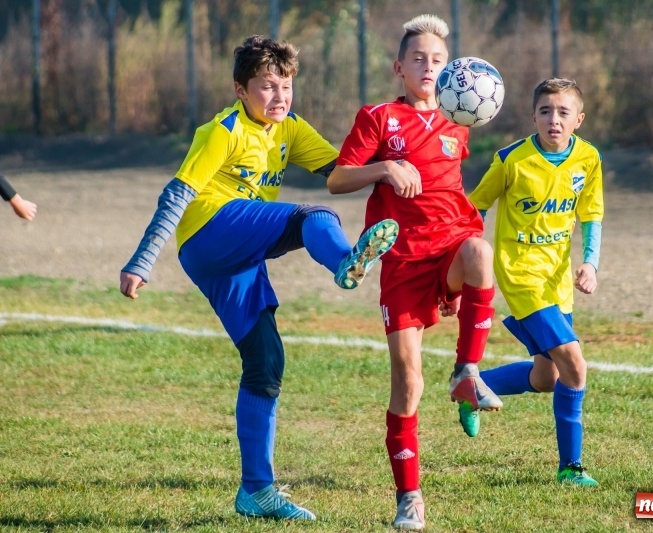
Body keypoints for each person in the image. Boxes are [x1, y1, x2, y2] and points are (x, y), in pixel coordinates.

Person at [119, 35, 398, 522]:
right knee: (313, 216)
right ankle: (344, 263)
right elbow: (177, 195)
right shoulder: (222, 131)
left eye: (286, 86)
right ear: (240, 90)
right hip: (209, 232)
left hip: (235, 254)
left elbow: (341, 172)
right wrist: (143, 260)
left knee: (266, 361)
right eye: (267, 86)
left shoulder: (291, 128)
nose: (279, 97)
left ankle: (256, 491)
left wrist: (392, 167)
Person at [327, 14, 502, 531]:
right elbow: (337, 180)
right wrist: (385, 168)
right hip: (402, 262)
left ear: (450, 71)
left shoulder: (458, 121)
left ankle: (467, 371)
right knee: (407, 382)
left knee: (480, 252)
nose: (429, 67)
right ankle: (409, 498)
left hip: (449, 247)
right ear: (398, 67)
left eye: (438, 60)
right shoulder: (379, 117)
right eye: (419, 58)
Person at [467, 78, 603, 487]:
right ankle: (570, 467)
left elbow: (591, 215)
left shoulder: (588, 158)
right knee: (574, 364)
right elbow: (475, 207)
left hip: (557, 279)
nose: (553, 120)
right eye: (545, 111)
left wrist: (590, 263)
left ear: (579, 119)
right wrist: (464, 263)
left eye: (563, 112)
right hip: (520, 274)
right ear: (533, 117)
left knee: (547, 379)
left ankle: (474, 386)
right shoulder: (511, 159)